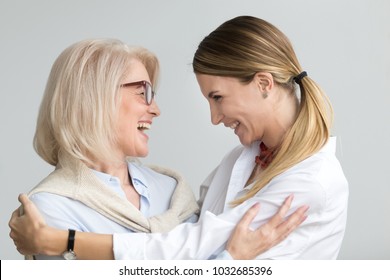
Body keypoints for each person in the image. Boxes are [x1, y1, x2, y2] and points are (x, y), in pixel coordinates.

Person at [8, 37, 307, 260]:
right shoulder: (47, 210)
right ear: (94, 98)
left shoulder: (171, 190)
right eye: (143, 92)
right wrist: (232, 261)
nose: (156, 109)